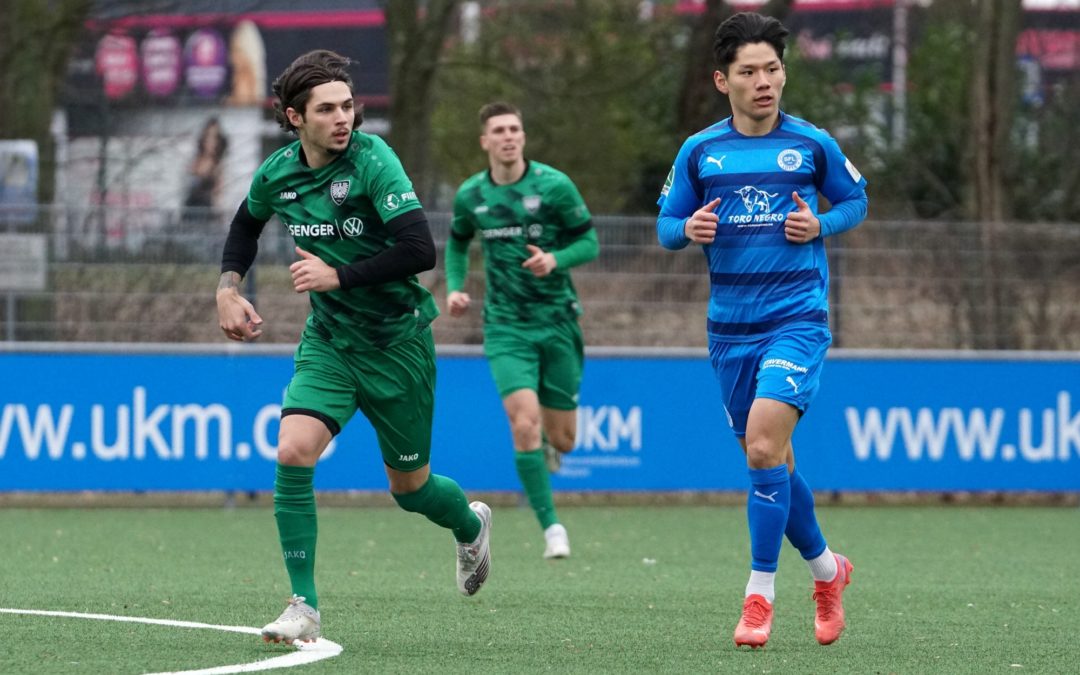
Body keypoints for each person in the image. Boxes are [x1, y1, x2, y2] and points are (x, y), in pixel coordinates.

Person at [215, 49, 491, 646]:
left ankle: (470, 523)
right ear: (294, 117)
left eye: (348, 106)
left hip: (398, 344)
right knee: (292, 452)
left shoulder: (373, 160)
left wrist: (338, 276)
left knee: (410, 491)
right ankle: (303, 606)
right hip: (331, 342)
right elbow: (244, 224)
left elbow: (421, 251)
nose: (343, 118)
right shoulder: (278, 173)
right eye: (326, 109)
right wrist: (227, 289)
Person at [656, 12, 867, 649]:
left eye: (772, 69)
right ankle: (829, 573)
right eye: (748, 71)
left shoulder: (811, 144)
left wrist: (821, 226)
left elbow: (857, 200)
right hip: (729, 330)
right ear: (723, 80)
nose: (764, 81)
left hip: (796, 319)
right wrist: (687, 231)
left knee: (759, 449)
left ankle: (759, 595)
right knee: (772, 460)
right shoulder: (700, 151)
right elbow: (665, 225)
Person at [445, 102, 598, 560]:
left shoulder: (553, 186)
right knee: (524, 423)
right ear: (485, 141)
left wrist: (555, 260)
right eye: (499, 130)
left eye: (515, 128)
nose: (509, 136)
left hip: (557, 321)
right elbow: (455, 242)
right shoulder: (471, 195)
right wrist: (455, 288)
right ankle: (552, 527)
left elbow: (589, 241)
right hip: (506, 327)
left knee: (564, 439)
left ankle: (553, 450)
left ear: (523, 137)